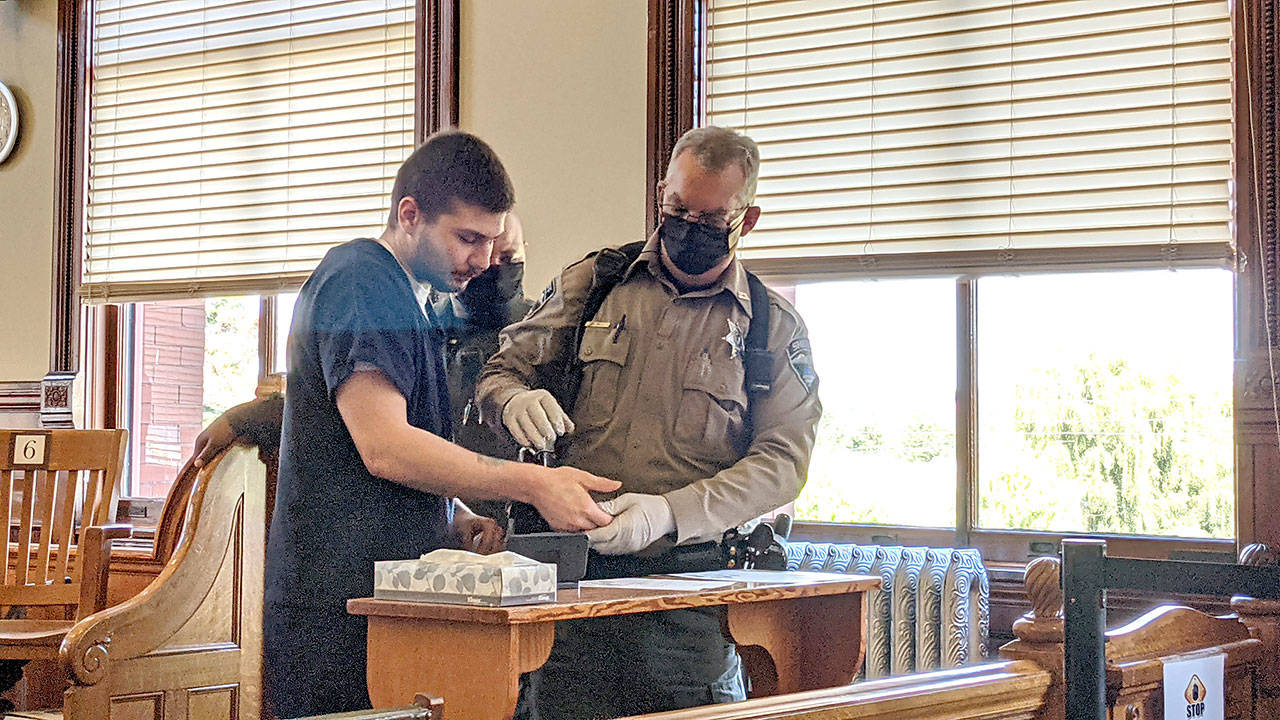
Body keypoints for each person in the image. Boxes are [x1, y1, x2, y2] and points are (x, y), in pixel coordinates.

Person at [259, 130, 618, 718]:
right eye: (468, 238)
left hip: (380, 608)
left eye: (494, 242)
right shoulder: (361, 282)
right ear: (410, 214)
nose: (483, 261)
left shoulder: (411, 301)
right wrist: (530, 483)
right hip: (340, 618)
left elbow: (374, 463)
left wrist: (453, 516)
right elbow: (385, 448)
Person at [476, 125, 822, 719]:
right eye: (676, 208)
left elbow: (784, 463)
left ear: (749, 219)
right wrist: (510, 400)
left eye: (712, 219)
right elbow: (501, 370)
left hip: (688, 595)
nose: (689, 226)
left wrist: (669, 513)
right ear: (661, 193)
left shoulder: (771, 328)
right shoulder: (595, 284)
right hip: (569, 579)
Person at [194, 213, 535, 525]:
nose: (488, 265)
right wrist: (245, 418)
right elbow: (347, 410)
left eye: (505, 257)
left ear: (525, 253)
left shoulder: (540, 338)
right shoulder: (415, 318)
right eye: (476, 247)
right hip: (428, 541)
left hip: (522, 532)